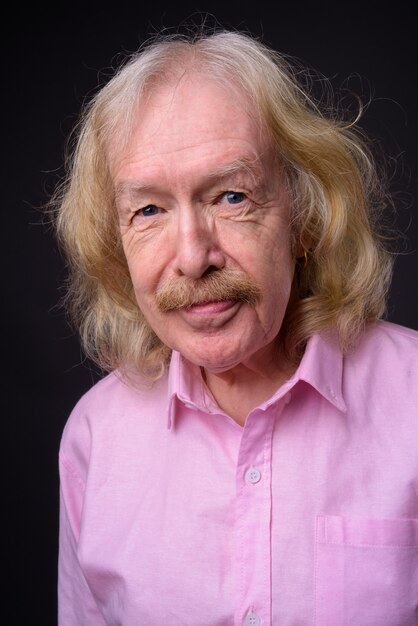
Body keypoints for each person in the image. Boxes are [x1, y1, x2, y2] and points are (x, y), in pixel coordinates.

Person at [53, 27, 418, 626]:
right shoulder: (95, 440)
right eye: (148, 211)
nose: (193, 257)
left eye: (230, 197)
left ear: (304, 217)